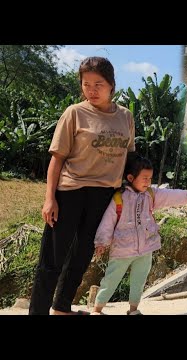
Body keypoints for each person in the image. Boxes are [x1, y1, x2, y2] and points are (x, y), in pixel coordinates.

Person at [29, 57, 135, 315]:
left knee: (82, 255)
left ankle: (62, 308)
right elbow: (57, 159)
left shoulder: (125, 117)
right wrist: (49, 199)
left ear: (111, 84)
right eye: (86, 84)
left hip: (104, 196)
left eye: (98, 84)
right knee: (52, 259)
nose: (92, 90)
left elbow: (129, 157)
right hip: (70, 192)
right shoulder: (74, 113)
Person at [91, 153, 187, 315]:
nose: (148, 182)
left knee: (139, 280)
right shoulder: (119, 198)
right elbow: (108, 221)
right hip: (122, 249)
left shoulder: (151, 194)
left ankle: (133, 310)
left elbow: (170, 195)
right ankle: (98, 309)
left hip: (145, 248)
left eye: (150, 178)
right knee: (111, 280)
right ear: (130, 177)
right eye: (144, 178)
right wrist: (101, 242)